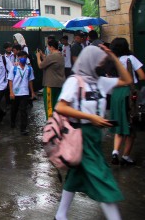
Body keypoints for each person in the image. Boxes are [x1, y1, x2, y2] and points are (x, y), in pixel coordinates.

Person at [54, 44, 132, 220]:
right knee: (102, 177)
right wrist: (91, 118)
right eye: (100, 62)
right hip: (80, 136)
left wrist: (112, 56)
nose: (102, 65)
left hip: (94, 137)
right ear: (90, 61)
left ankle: (60, 215)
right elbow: (60, 107)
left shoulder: (101, 82)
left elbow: (127, 80)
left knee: (76, 174)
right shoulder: (74, 81)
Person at [109, 38, 145, 166]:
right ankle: (125, 156)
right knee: (131, 125)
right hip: (128, 93)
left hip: (116, 93)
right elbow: (142, 76)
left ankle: (115, 152)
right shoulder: (130, 58)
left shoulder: (113, 61)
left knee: (119, 124)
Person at [36, 39, 66, 120]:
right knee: (56, 105)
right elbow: (50, 61)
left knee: (49, 106)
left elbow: (41, 65)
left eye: (48, 47)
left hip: (50, 84)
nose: (48, 48)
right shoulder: (60, 55)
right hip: (59, 84)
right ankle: (57, 123)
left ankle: (50, 124)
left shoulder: (52, 56)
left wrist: (38, 57)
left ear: (52, 47)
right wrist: (43, 56)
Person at [8, 51, 36, 135]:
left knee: (23, 110)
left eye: (25, 57)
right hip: (15, 93)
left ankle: (23, 128)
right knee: (14, 109)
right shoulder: (14, 68)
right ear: (18, 57)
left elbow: (30, 81)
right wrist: (11, 92)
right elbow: (10, 80)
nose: (23, 58)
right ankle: (12, 122)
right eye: (22, 57)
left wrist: (32, 92)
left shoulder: (29, 69)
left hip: (24, 92)